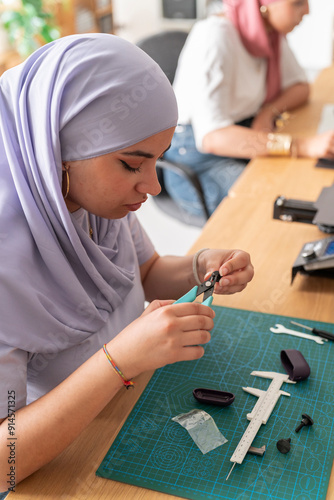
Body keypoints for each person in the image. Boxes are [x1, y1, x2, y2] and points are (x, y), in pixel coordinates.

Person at [0, 33, 254, 492]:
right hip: (65, 459)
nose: (153, 187)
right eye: (132, 165)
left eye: (157, 160)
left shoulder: (86, 201)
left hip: (123, 407)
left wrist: (201, 266)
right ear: (56, 151)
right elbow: (5, 458)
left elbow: (145, 272)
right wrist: (118, 361)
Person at [163, 0, 334, 218]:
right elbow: (212, 138)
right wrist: (300, 145)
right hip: (200, 158)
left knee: (304, 186)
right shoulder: (214, 36)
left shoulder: (269, 32)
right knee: (274, 205)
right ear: (264, 5)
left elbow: (300, 87)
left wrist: (268, 112)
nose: (307, 11)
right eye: (298, 3)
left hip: (244, 134)